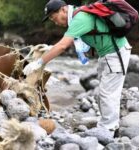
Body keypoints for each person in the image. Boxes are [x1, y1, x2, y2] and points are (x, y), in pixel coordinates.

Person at [23, 0, 132, 137]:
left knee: (108, 93)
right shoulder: (77, 15)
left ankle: (107, 131)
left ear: (63, 10)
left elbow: (63, 46)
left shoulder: (79, 18)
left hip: (116, 54)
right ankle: (110, 126)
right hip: (107, 54)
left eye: (53, 17)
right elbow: (77, 41)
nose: (54, 21)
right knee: (105, 92)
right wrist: (51, 49)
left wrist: (39, 62)